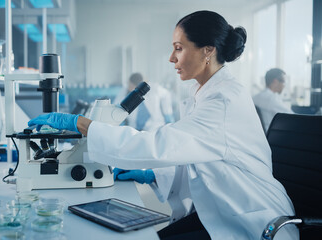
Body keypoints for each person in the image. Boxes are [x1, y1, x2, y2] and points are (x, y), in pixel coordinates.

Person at [28, 11, 298, 240]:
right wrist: (154, 175)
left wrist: (81, 124)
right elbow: (193, 157)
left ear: (208, 51)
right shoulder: (203, 92)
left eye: (178, 48)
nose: (171, 58)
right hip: (223, 211)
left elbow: (161, 145)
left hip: (255, 222)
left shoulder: (224, 100)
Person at [253, 68, 293, 132]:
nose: (283, 85)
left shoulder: (255, 97)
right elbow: (292, 117)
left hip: (259, 135)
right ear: (275, 82)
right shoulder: (271, 99)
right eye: (283, 82)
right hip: (272, 136)